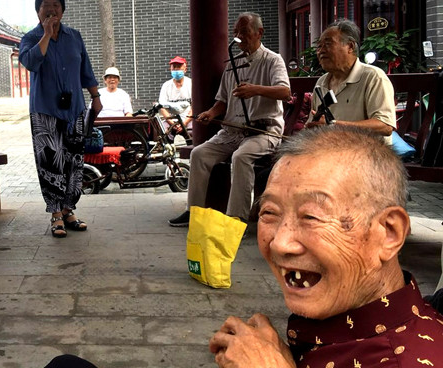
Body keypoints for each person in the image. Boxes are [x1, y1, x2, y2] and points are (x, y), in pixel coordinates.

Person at [0, 127, 443, 368]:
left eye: (311, 215)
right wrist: (281, 360)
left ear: (388, 233)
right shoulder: (345, 322)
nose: (281, 241)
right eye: (268, 213)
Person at [169, 13, 290, 227]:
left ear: (259, 33)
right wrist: (211, 113)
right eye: (235, 32)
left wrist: (255, 90)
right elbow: (222, 101)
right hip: (232, 131)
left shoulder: (272, 59)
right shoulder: (232, 64)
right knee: (199, 154)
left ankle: (236, 219)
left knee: (241, 157)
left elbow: (284, 91)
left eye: (243, 32)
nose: (238, 36)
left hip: (263, 132)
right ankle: (194, 212)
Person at [19, 0, 101, 239]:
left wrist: (95, 96)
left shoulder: (74, 37)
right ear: (38, 11)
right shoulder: (31, 38)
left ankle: (69, 209)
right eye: (46, 6)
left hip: (75, 109)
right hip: (45, 112)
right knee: (50, 163)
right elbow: (30, 62)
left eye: (56, 5)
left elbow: (85, 69)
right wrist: (46, 34)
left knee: (74, 162)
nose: (51, 10)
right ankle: (55, 214)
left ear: (63, 10)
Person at [305, 19, 396, 142]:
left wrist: (334, 126)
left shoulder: (373, 77)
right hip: (333, 153)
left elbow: (385, 126)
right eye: (319, 46)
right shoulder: (321, 82)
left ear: (350, 46)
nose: (320, 51)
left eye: (328, 44)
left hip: (369, 155)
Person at [158, 55, 192, 128]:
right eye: (174, 67)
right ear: (170, 69)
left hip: (188, 119)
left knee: (194, 132)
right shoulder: (166, 85)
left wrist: (184, 123)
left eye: (179, 67)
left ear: (185, 69)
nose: (176, 70)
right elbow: (162, 107)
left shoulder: (191, 84)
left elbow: (195, 107)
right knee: (162, 131)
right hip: (171, 120)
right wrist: (172, 124)